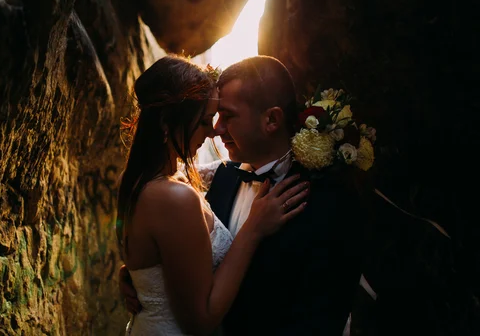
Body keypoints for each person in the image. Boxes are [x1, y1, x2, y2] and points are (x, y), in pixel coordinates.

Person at [121, 55, 363, 335]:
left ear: (271, 119)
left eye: (228, 116)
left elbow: (321, 321)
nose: (216, 130)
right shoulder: (220, 179)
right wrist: (142, 275)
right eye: (212, 117)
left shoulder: (330, 201)